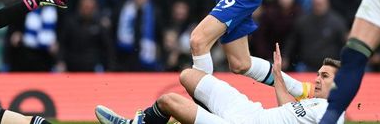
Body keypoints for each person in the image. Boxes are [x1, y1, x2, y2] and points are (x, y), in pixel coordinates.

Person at [95, 43, 344, 124]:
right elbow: (289, 111)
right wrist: (277, 74)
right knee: (188, 76)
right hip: (252, 113)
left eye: (324, 76)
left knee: (168, 101)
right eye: (319, 74)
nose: (317, 79)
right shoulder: (314, 105)